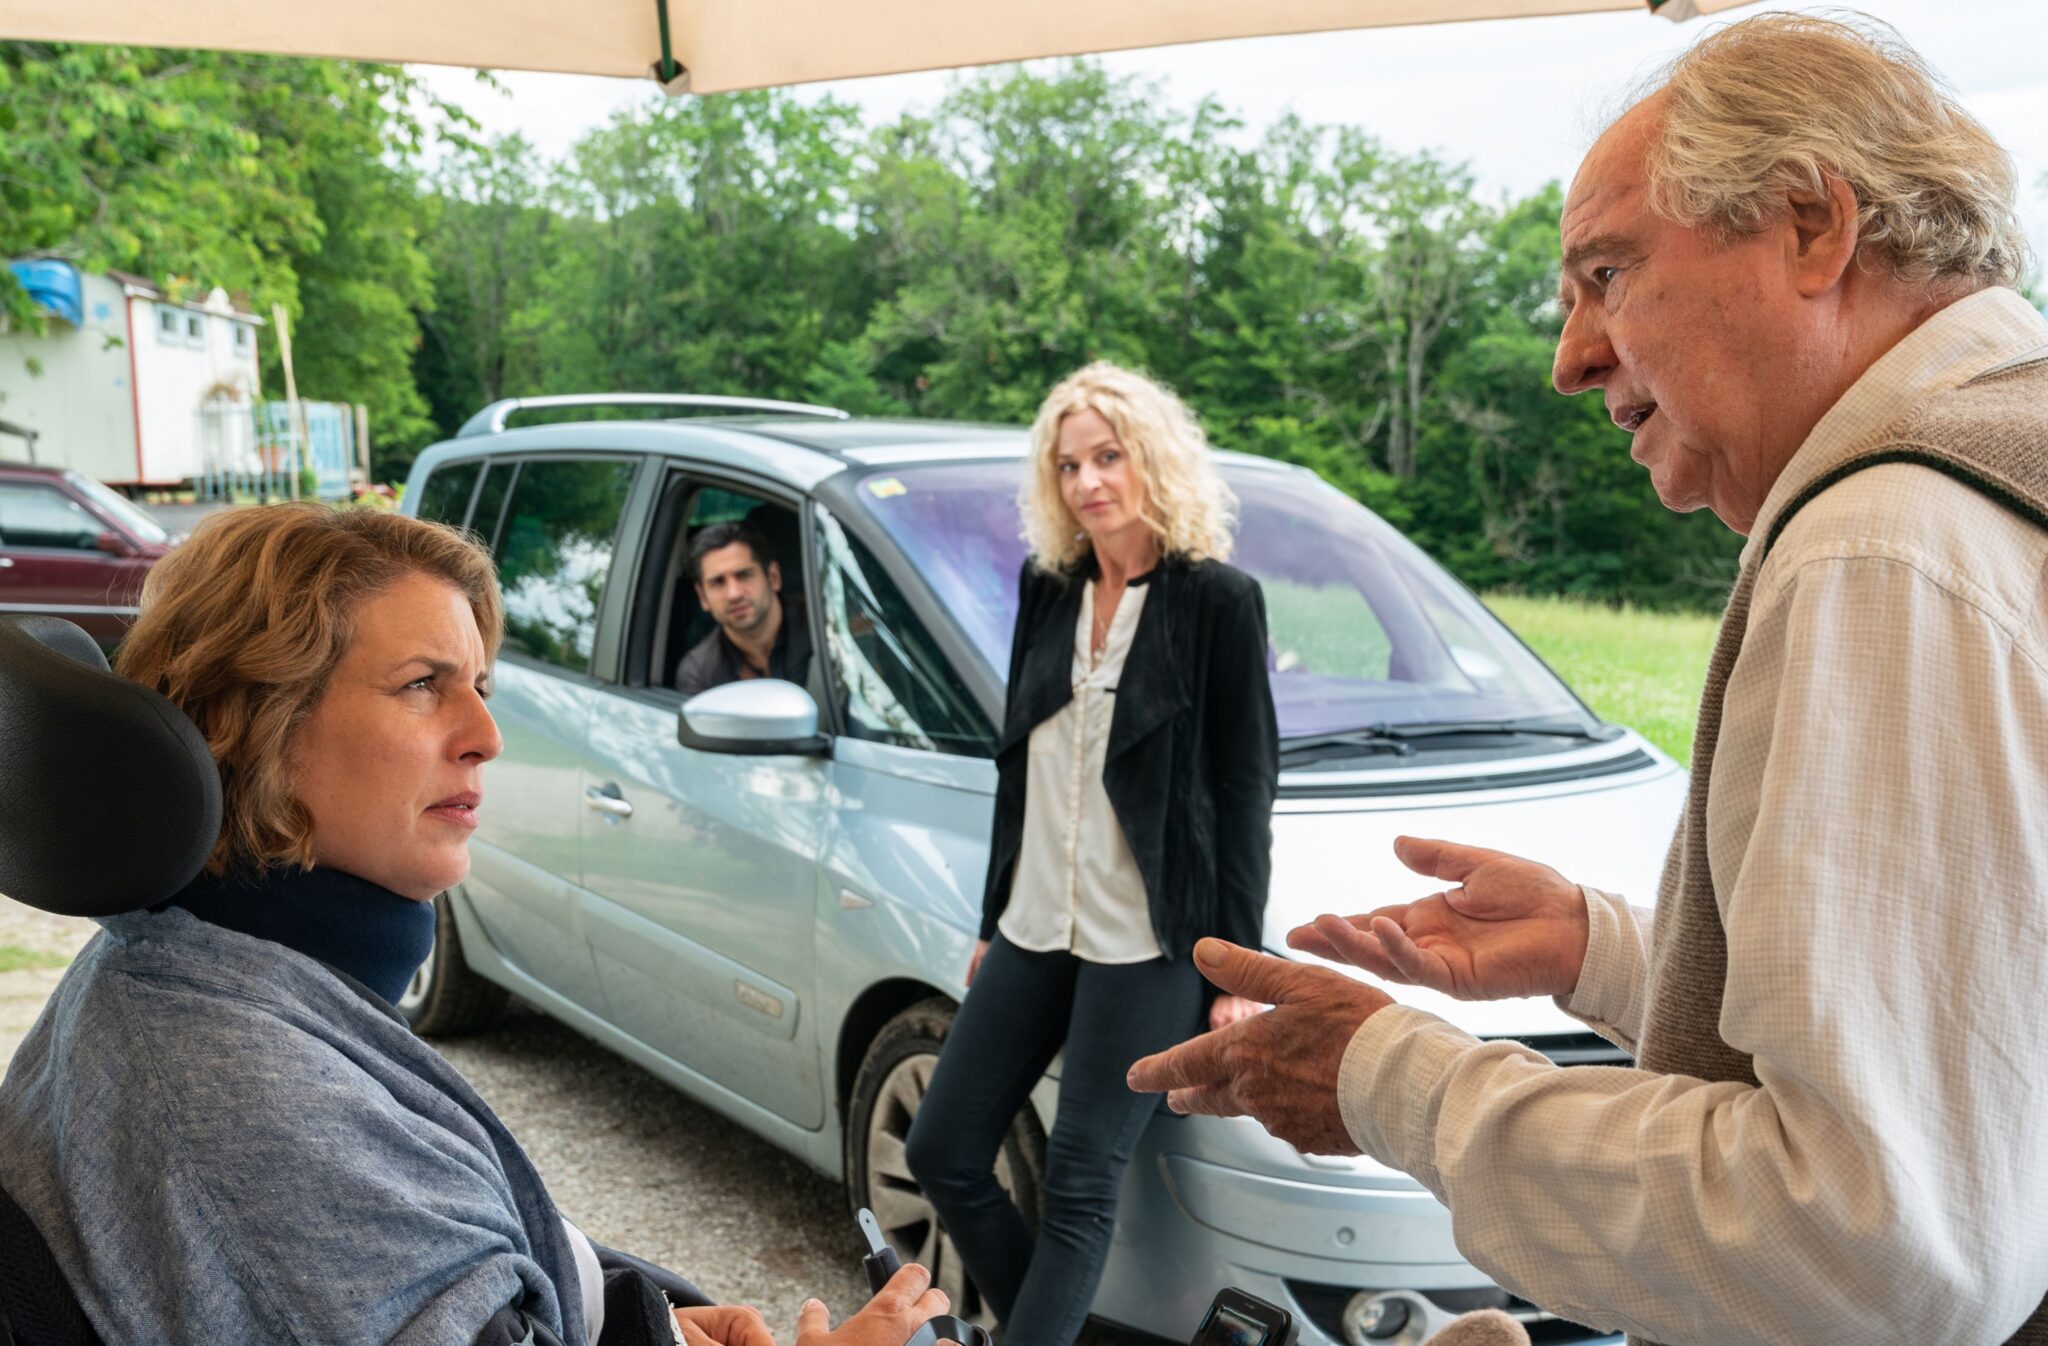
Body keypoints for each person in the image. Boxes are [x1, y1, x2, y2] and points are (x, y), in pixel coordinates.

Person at [1128, 14, 2048, 1346]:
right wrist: (1609, 949)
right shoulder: (2006, 467)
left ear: (1811, 224)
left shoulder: (1883, 542)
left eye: (1605, 273)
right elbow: (1986, 1039)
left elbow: (1876, 1248)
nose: (1569, 356)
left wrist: (1388, 1075)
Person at [0, 502, 949, 1346]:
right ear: (248, 724)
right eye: (422, 684)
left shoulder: (175, 966)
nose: (486, 736)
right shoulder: (239, 1091)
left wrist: (635, 1321)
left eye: (481, 685)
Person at [903, 362, 1278, 1346]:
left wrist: (1233, 967)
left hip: (1146, 939)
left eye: (1106, 456)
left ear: (1150, 456)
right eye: (1068, 464)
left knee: (1078, 1182)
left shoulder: (1218, 604)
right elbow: (1017, 766)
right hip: (1036, 920)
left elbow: (1243, 792)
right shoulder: (1047, 587)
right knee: (942, 1146)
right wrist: (992, 919)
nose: (1086, 482)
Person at [675, 521, 812, 698]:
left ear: (773, 577)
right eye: (718, 582)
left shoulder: (824, 629)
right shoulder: (700, 674)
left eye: (744, 575)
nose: (733, 594)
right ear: (702, 597)